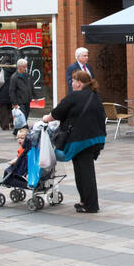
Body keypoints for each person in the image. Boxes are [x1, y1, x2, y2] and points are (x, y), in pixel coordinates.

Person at [43, 69, 105, 213]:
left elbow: (56, 113)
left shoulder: (74, 96)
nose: (72, 83)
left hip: (81, 140)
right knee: (83, 171)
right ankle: (85, 201)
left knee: (84, 173)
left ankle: (90, 205)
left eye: (73, 80)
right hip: (96, 139)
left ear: (79, 83)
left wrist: (45, 119)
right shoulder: (94, 96)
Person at [8, 58, 33, 126]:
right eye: (24, 67)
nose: (25, 68)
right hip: (20, 101)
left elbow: (30, 86)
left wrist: (34, 95)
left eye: (26, 66)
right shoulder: (14, 77)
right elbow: (11, 91)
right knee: (22, 118)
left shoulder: (27, 75)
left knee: (25, 116)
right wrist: (15, 103)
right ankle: (22, 131)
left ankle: (18, 131)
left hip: (27, 100)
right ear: (19, 67)